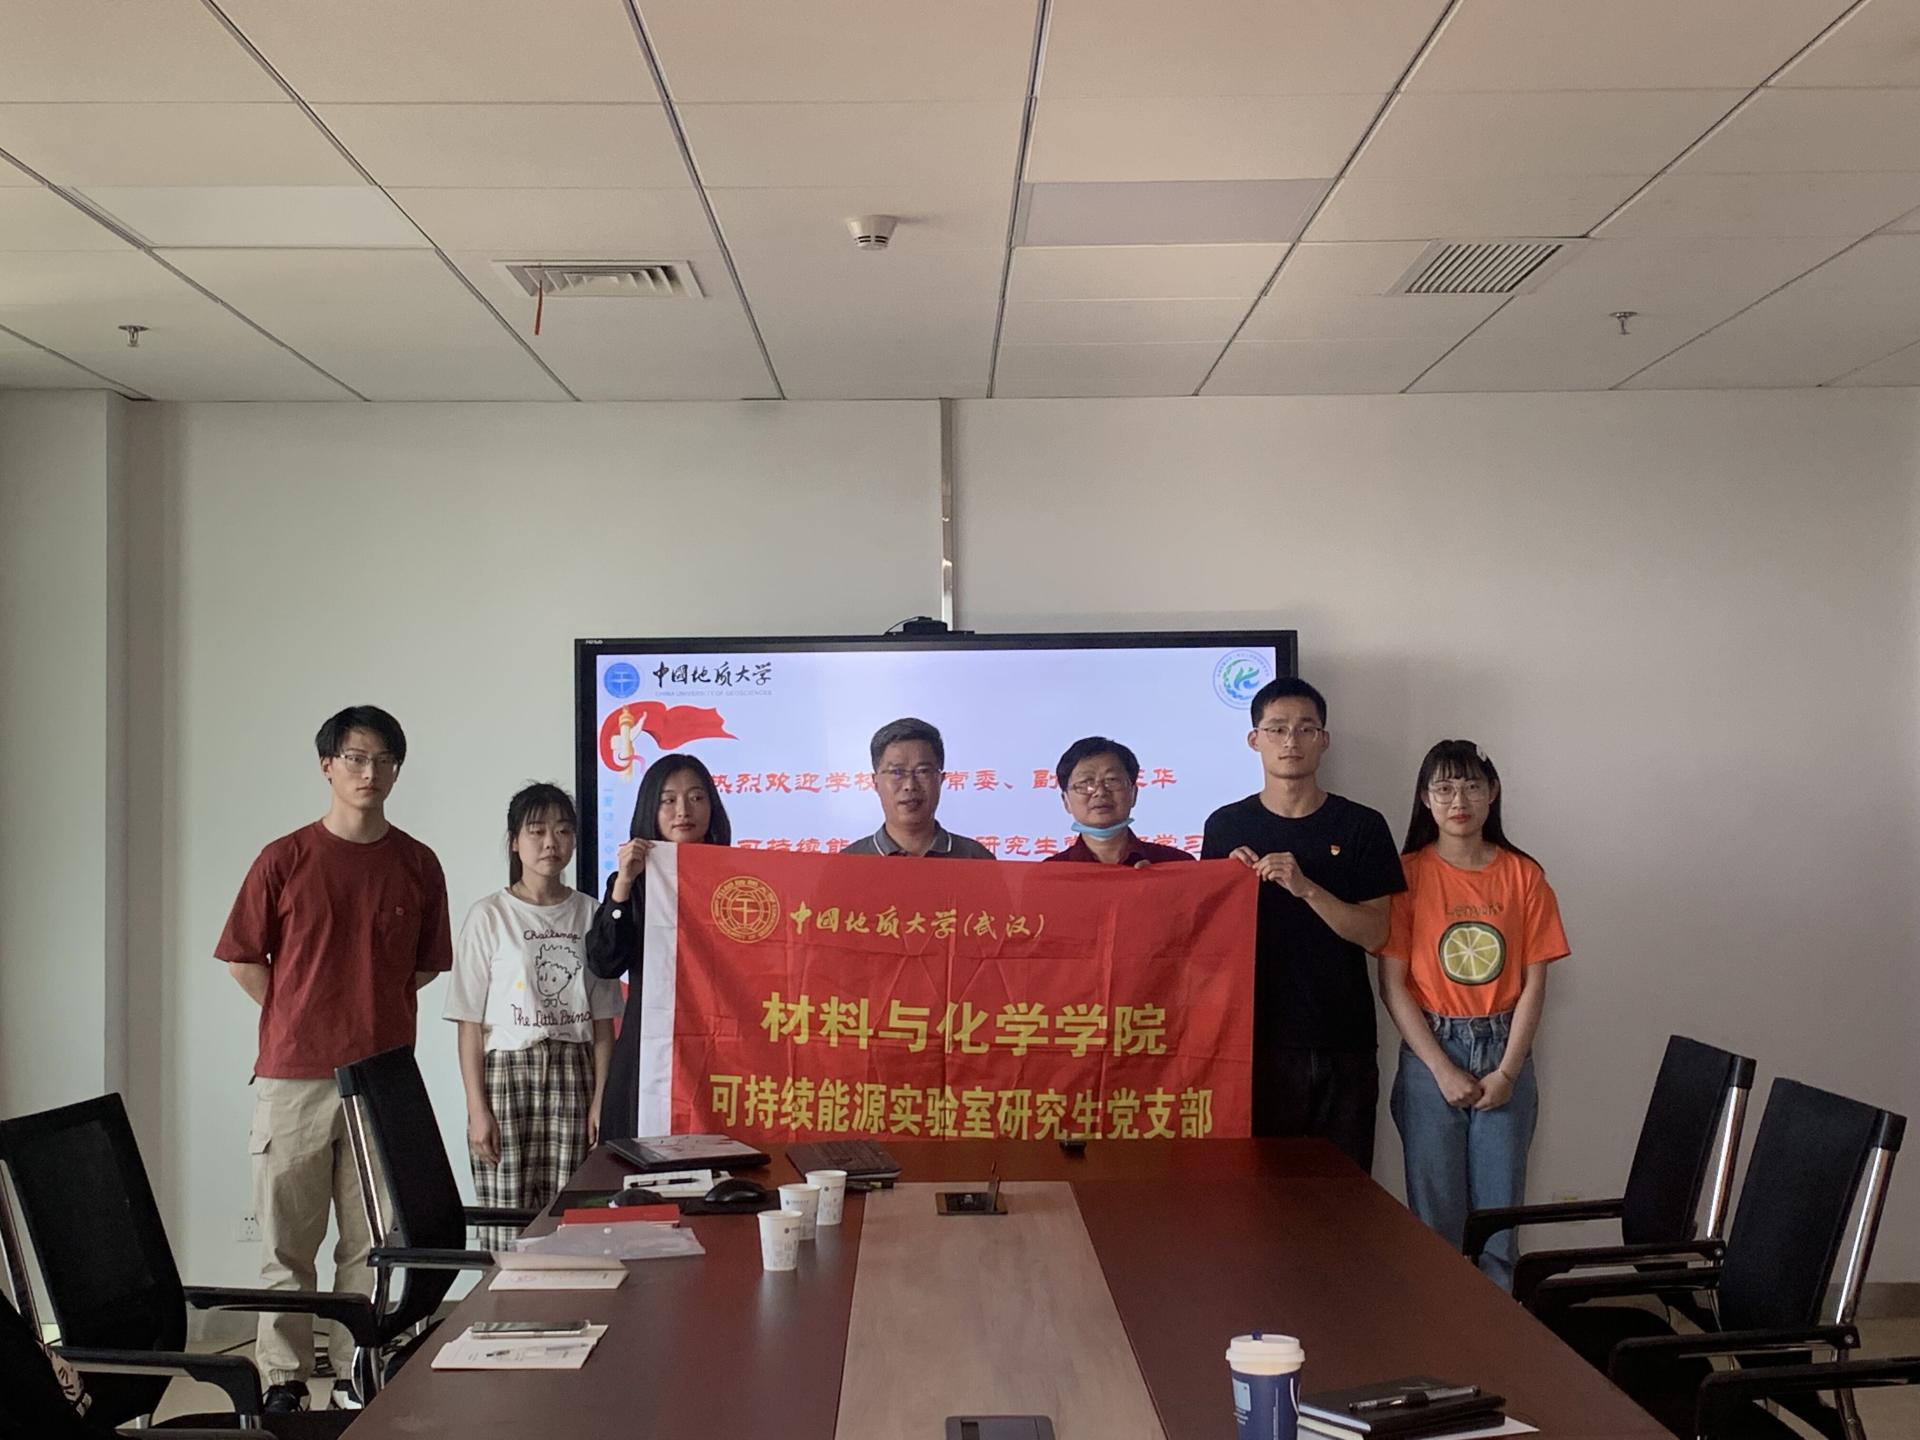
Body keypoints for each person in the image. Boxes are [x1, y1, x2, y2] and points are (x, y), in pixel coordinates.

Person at [214, 705, 451, 1415]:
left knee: (370, 1241)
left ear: (396, 771)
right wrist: (298, 1014)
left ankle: (356, 1372)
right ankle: (283, 1380)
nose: (369, 772)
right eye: (355, 757)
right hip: (293, 1079)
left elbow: (424, 966)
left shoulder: (417, 863)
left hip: (381, 1083)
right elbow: (242, 958)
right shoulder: (284, 858)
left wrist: (362, 1012)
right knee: (286, 1245)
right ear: (327, 766)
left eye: (383, 760)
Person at [1379, 740, 1568, 1290]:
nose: (1458, 800)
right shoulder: (1406, 875)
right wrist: (1440, 1069)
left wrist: (1507, 1072)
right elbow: (1392, 985)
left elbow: (1535, 983)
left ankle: (1499, 1331)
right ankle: (1440, 1328)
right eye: (1444, 788)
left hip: (1504, 1048)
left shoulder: (1524, 875)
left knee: (1499, 1223)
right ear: (1425, 798)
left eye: (1471, 786)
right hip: (1431, 1051)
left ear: (1493, 793)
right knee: (1434, 1220)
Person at [1200, 678, 1403, 1172]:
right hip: (1255, 1044)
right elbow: (1206, 943)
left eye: (1305, 729)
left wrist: (1306, 887)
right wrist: (1228, 885)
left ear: (1323, 739)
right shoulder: (1225, 826)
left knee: (1345, 1194)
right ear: (1255, 739)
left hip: (1343, 1043)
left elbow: (1376, 934)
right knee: (1262, 1193)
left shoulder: (1362, 825)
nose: (1291, 741)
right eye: (1277, 729)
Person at [444, 784, 618, 1245]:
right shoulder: (489, 915)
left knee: (573, 1219)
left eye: (562, 831)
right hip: (507, 1078)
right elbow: (469, 1023)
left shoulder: (590, 914)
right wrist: (476, 1108)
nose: (550, 843)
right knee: (507, 1224)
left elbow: (604, 1023)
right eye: (537, 831)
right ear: (514, 842)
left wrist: (601, 1099)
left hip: (574, 1075)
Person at [584, 753, 733, 1140]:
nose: (683, 810)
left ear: (712, 807)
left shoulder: (736, 881)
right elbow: (604, 962)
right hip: (649, 1045)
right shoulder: (633, 881)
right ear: (651, 808)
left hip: (720, 1046)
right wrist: (623, 885)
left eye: (696, 797)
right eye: (669, 800)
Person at [842, 717, 995, 859]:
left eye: (923, 771)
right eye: (897, 772)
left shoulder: (976, 858)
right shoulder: (848, 862)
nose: (910, 785)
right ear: (875, 783)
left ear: (940, 780)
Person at [1044, 735, 1194, 865]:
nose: (1100, 792)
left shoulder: (1176, 863)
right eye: (1085, 783)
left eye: (1112, 780)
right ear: (1066, 801)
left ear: (1133, 794)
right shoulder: (1051, 873)